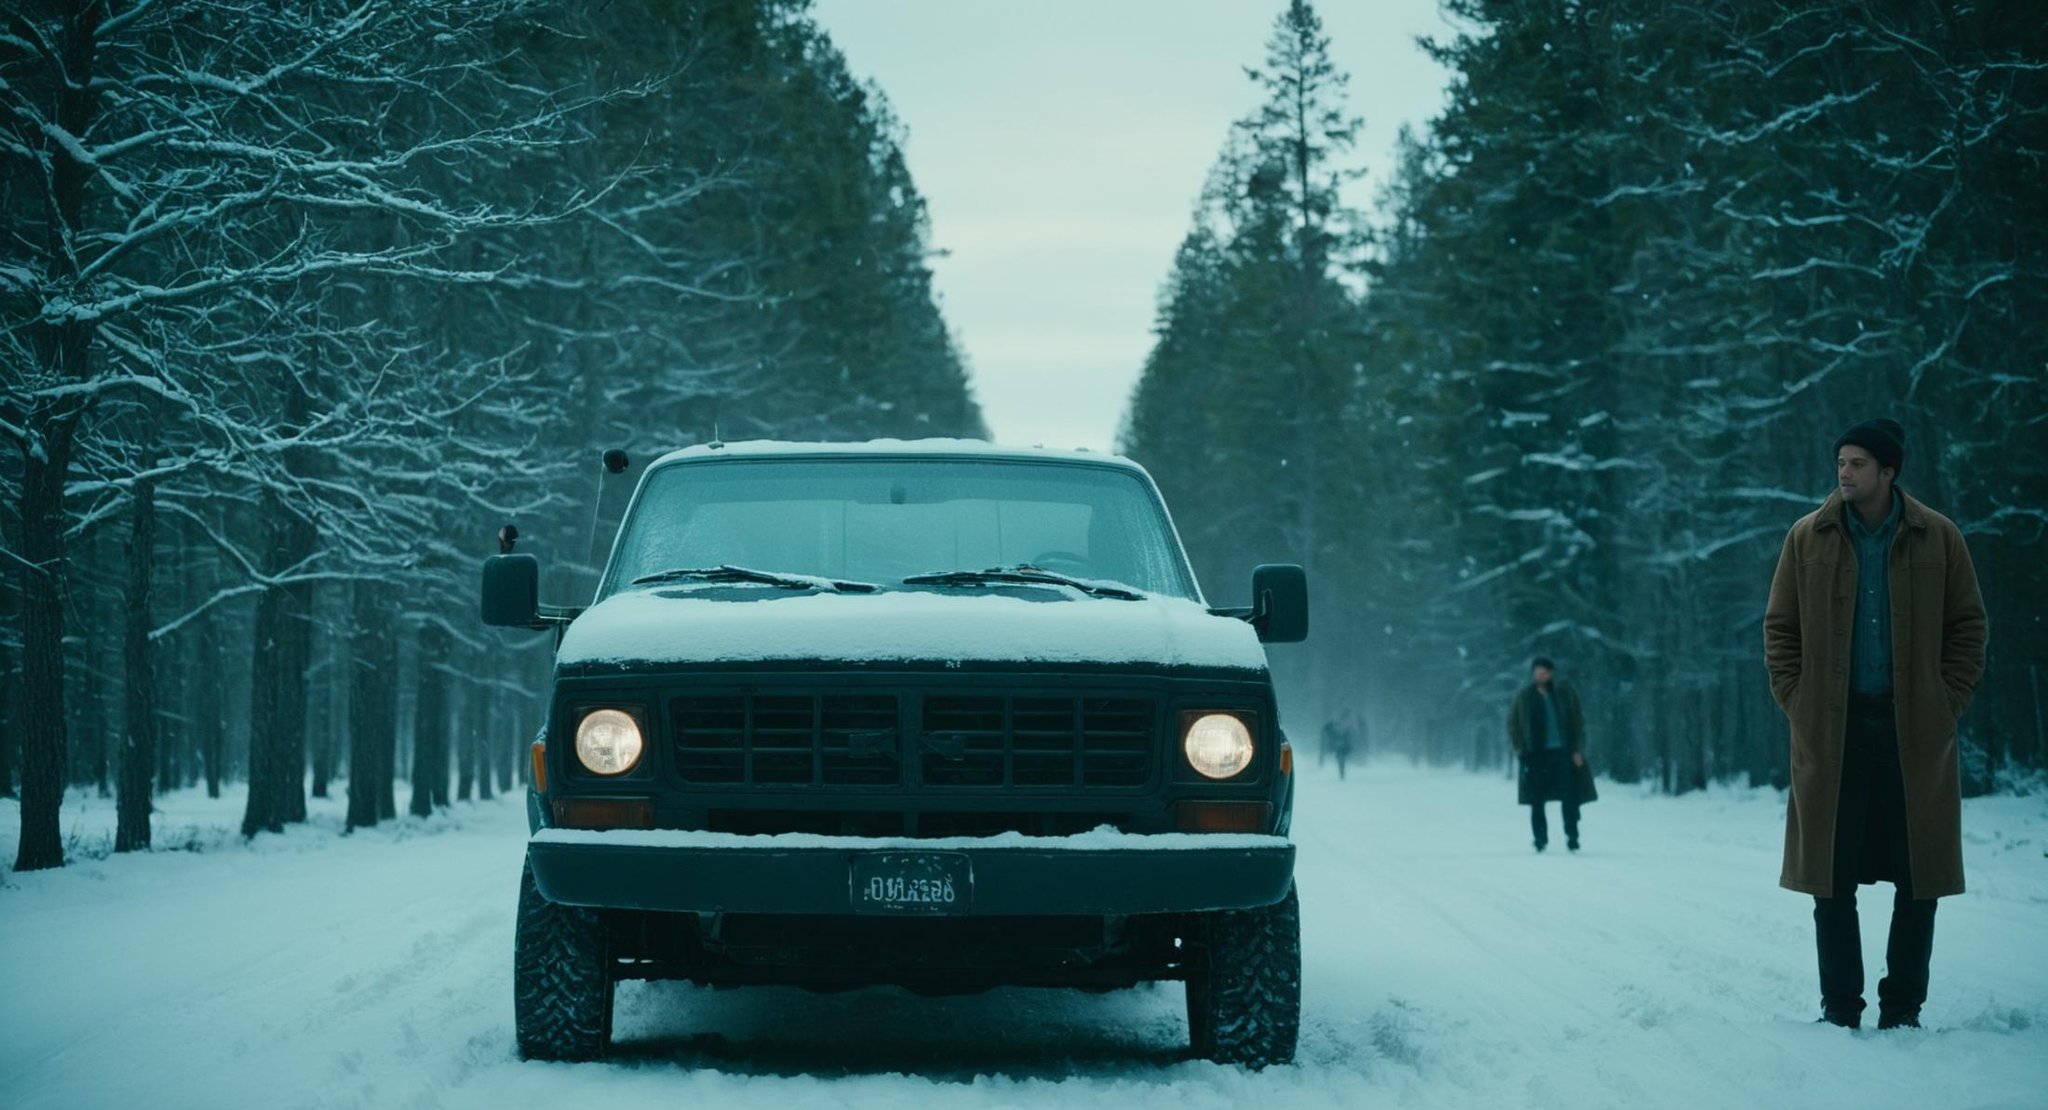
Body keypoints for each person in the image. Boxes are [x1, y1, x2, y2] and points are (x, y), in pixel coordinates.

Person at [1764, 418, 1987, 1031]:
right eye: (1840, 461)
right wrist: (1797, 699)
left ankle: (1903, 1008)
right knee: (1830, 879)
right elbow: (1779, 629)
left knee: (1920, 877)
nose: (1844, 472)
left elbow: (1967, 626)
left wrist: (1947, 700)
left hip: (1913, 733)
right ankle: (1840, 1009)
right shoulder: (1806, 538)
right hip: (1831, 733)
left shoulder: (1938, 538)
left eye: (1858, 463)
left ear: (1889, 472)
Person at [1505, 657, 1597, 852]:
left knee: (1569, 797)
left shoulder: (1563, 695)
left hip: (1563, 753)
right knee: (1537, 800)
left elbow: (1577, 723)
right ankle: (1540, 839)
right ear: (1533, 673)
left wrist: (1578, 750)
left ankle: (1572, 836)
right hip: (1536, 755)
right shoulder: (1524, 697)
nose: (1541, 675)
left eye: (1545, 671)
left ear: (1551, 673)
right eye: (1538, 671)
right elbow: (1513, 725)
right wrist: (1521, 750)